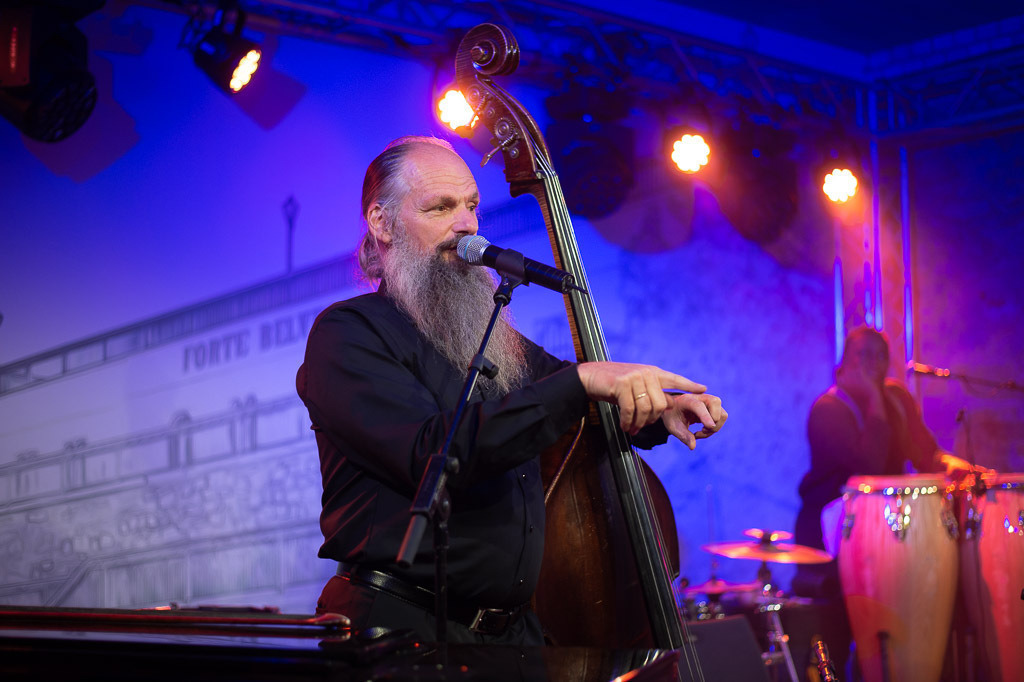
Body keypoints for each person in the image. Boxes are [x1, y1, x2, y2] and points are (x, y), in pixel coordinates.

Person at [296, 136, 728, 645]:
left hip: (514, 641)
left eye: (472, 205)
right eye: (441, 207)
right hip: (399, 631)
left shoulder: (491, 339)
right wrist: (584, 380)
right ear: (382, 223)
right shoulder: (349, 333)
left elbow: (579, 402)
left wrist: (660, 410)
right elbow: (432, 452)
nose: (467, 225)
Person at [791, 326, 963, 679]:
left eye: (879, 354)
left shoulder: (897, 398)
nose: (872, 362)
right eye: (862, 355)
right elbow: (867, 467)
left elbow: (924, 452)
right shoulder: (827, 409)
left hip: (889, 532)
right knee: (845, 632)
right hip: (833, 539)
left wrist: (950, 463)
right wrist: (873, 398)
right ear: (844, 362)